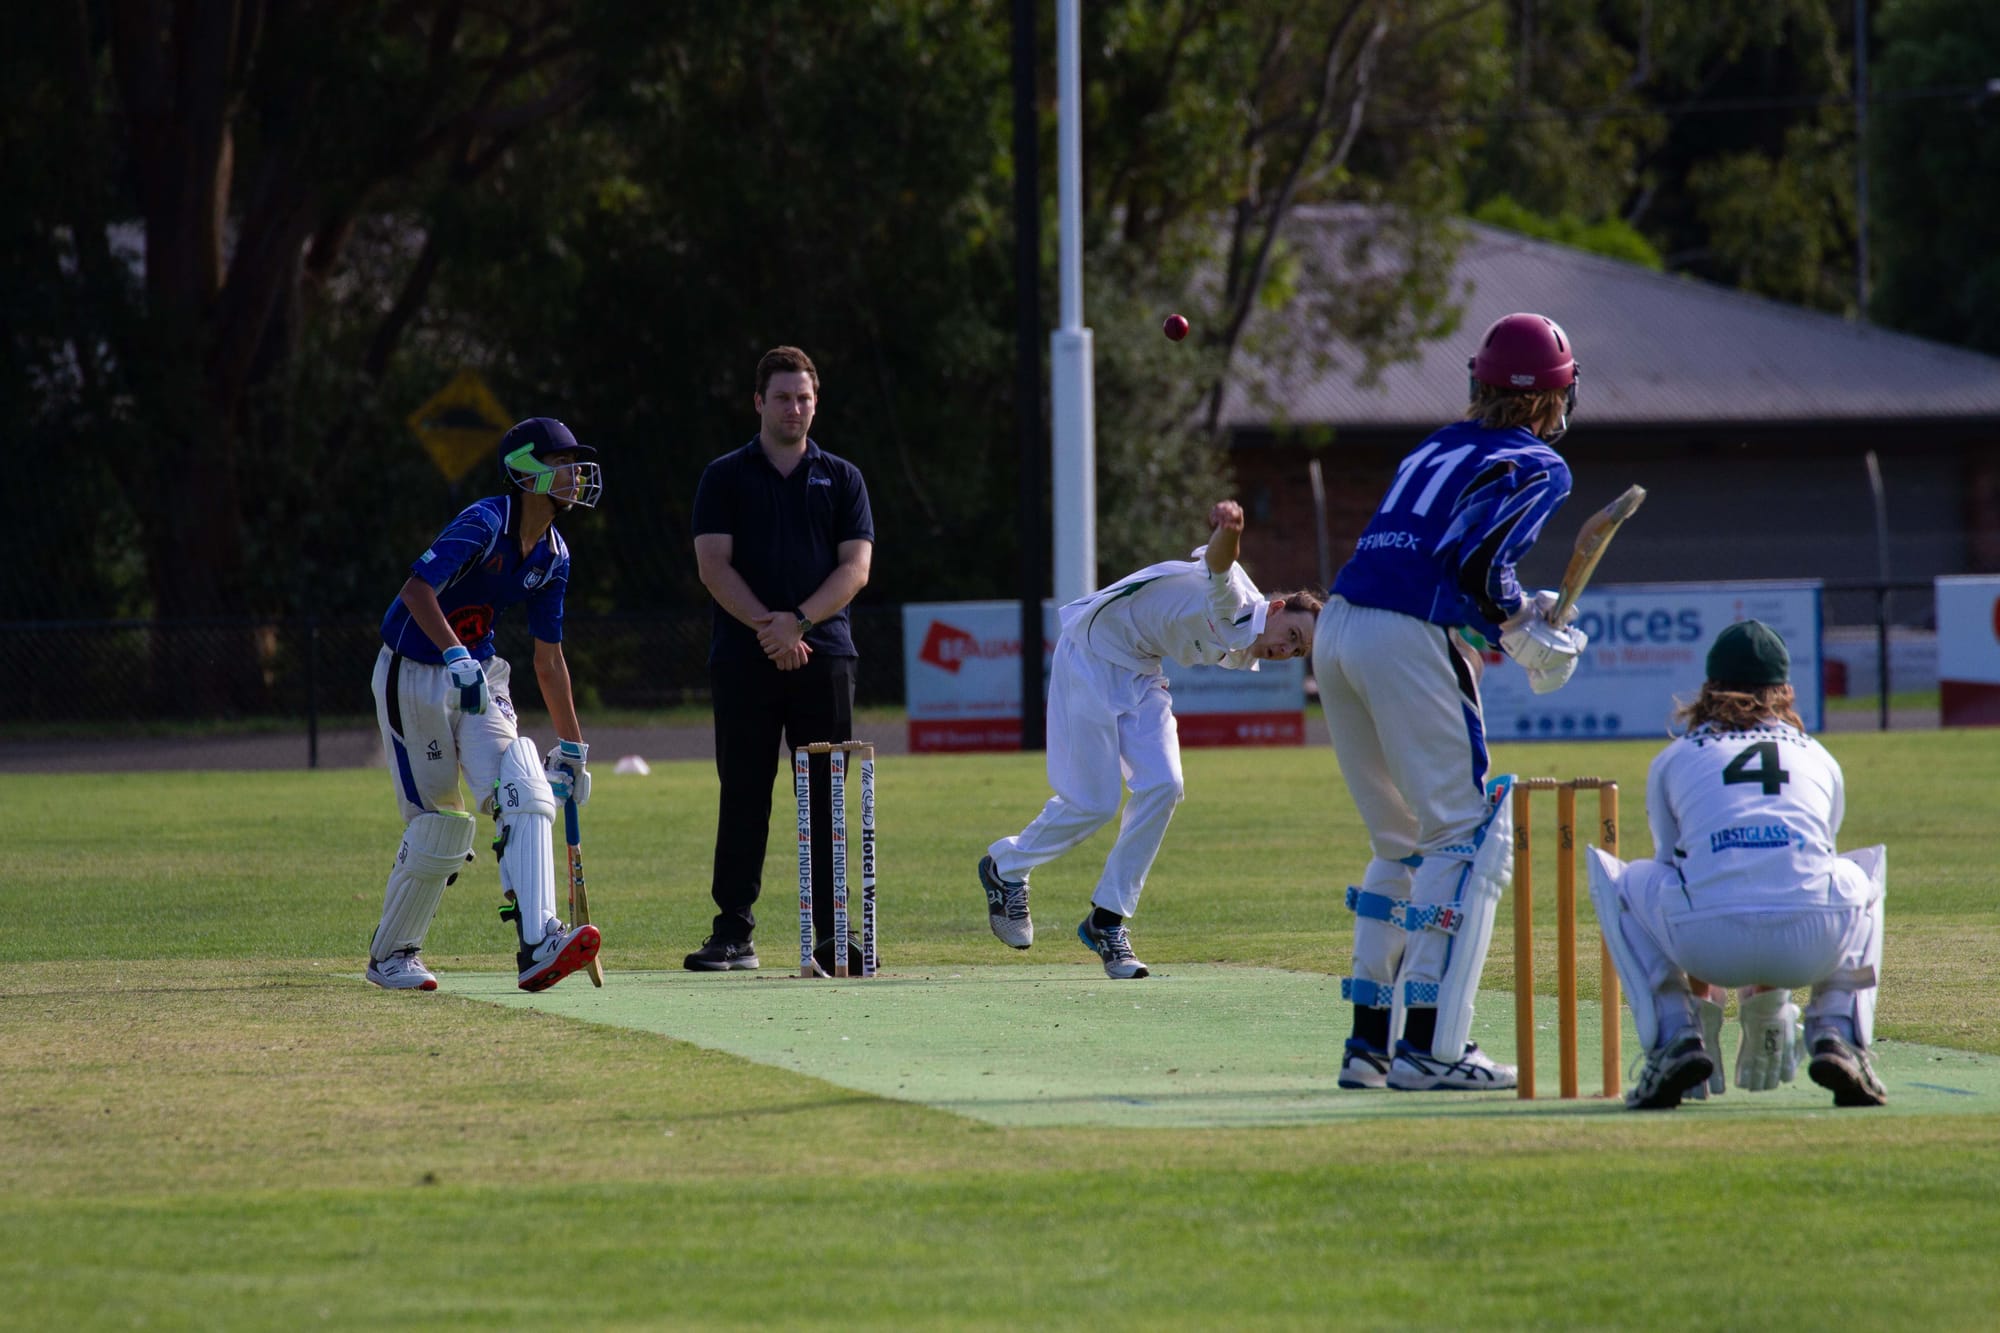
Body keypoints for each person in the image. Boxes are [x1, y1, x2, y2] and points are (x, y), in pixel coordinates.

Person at [1314, 312, 1592, 1091]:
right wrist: (1518, 627)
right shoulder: (1537, 462)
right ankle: (1432, 1047)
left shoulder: (1435, 442)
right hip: (1403, 634)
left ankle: (1369, 1045)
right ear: (1553, 398)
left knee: (1397, 843)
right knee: (1462, 839)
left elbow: (1453, 562)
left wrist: (1513, 612)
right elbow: (1474, 563)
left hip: (1339, 625)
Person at [979, 500, 1322, 979]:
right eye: (1291, 634)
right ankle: (1006, 867)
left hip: (1142, 672)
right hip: (1093, 655)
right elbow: (1220, 565)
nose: (1286, 649)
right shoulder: (1239, 605)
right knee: (1094, 804)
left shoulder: (1249, 646)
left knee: (1164, 783)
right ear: (1278, 608)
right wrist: (1232, 528)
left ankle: (1107, 920)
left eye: (1297, 650)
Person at [1587, 620, 1887, 1110]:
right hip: (1812, 944)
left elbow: (1680, 869)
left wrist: (1703, 1006)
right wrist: (1769, 997)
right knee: (1864, 873)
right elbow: (1800, 867)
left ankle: (1675, 1036)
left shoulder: (1675, 757)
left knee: (1622, 879)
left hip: (1705, 943)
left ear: (1709, 688)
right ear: (1784, 691)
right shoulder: (1820, 756)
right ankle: (1838, 1032)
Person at [365, 417, 604, 994]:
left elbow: (550, 660)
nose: (574, 473)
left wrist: (572, 748)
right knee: (444, 826)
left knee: (525, 780)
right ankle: (392, 955)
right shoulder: (484, 521)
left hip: (480, 673)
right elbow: (416, 591)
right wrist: (454, 656)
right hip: (414, 671)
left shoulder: (554, 555)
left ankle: (539, 941)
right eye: (561, 462)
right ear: (527, 471)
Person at [686, 346, 875, 972]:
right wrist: (769, 629)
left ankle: (828, 936)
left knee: (824, 796)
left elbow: (856, 568)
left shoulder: (842, 477)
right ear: (758, 403)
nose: (795, 408)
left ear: (815, 402)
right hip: (744, 657)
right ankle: (733, 932)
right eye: (783, 397)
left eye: (804, 398)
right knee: (743, 791)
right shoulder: (725, 476)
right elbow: (714, 566)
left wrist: (797, 623)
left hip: (824, 656)